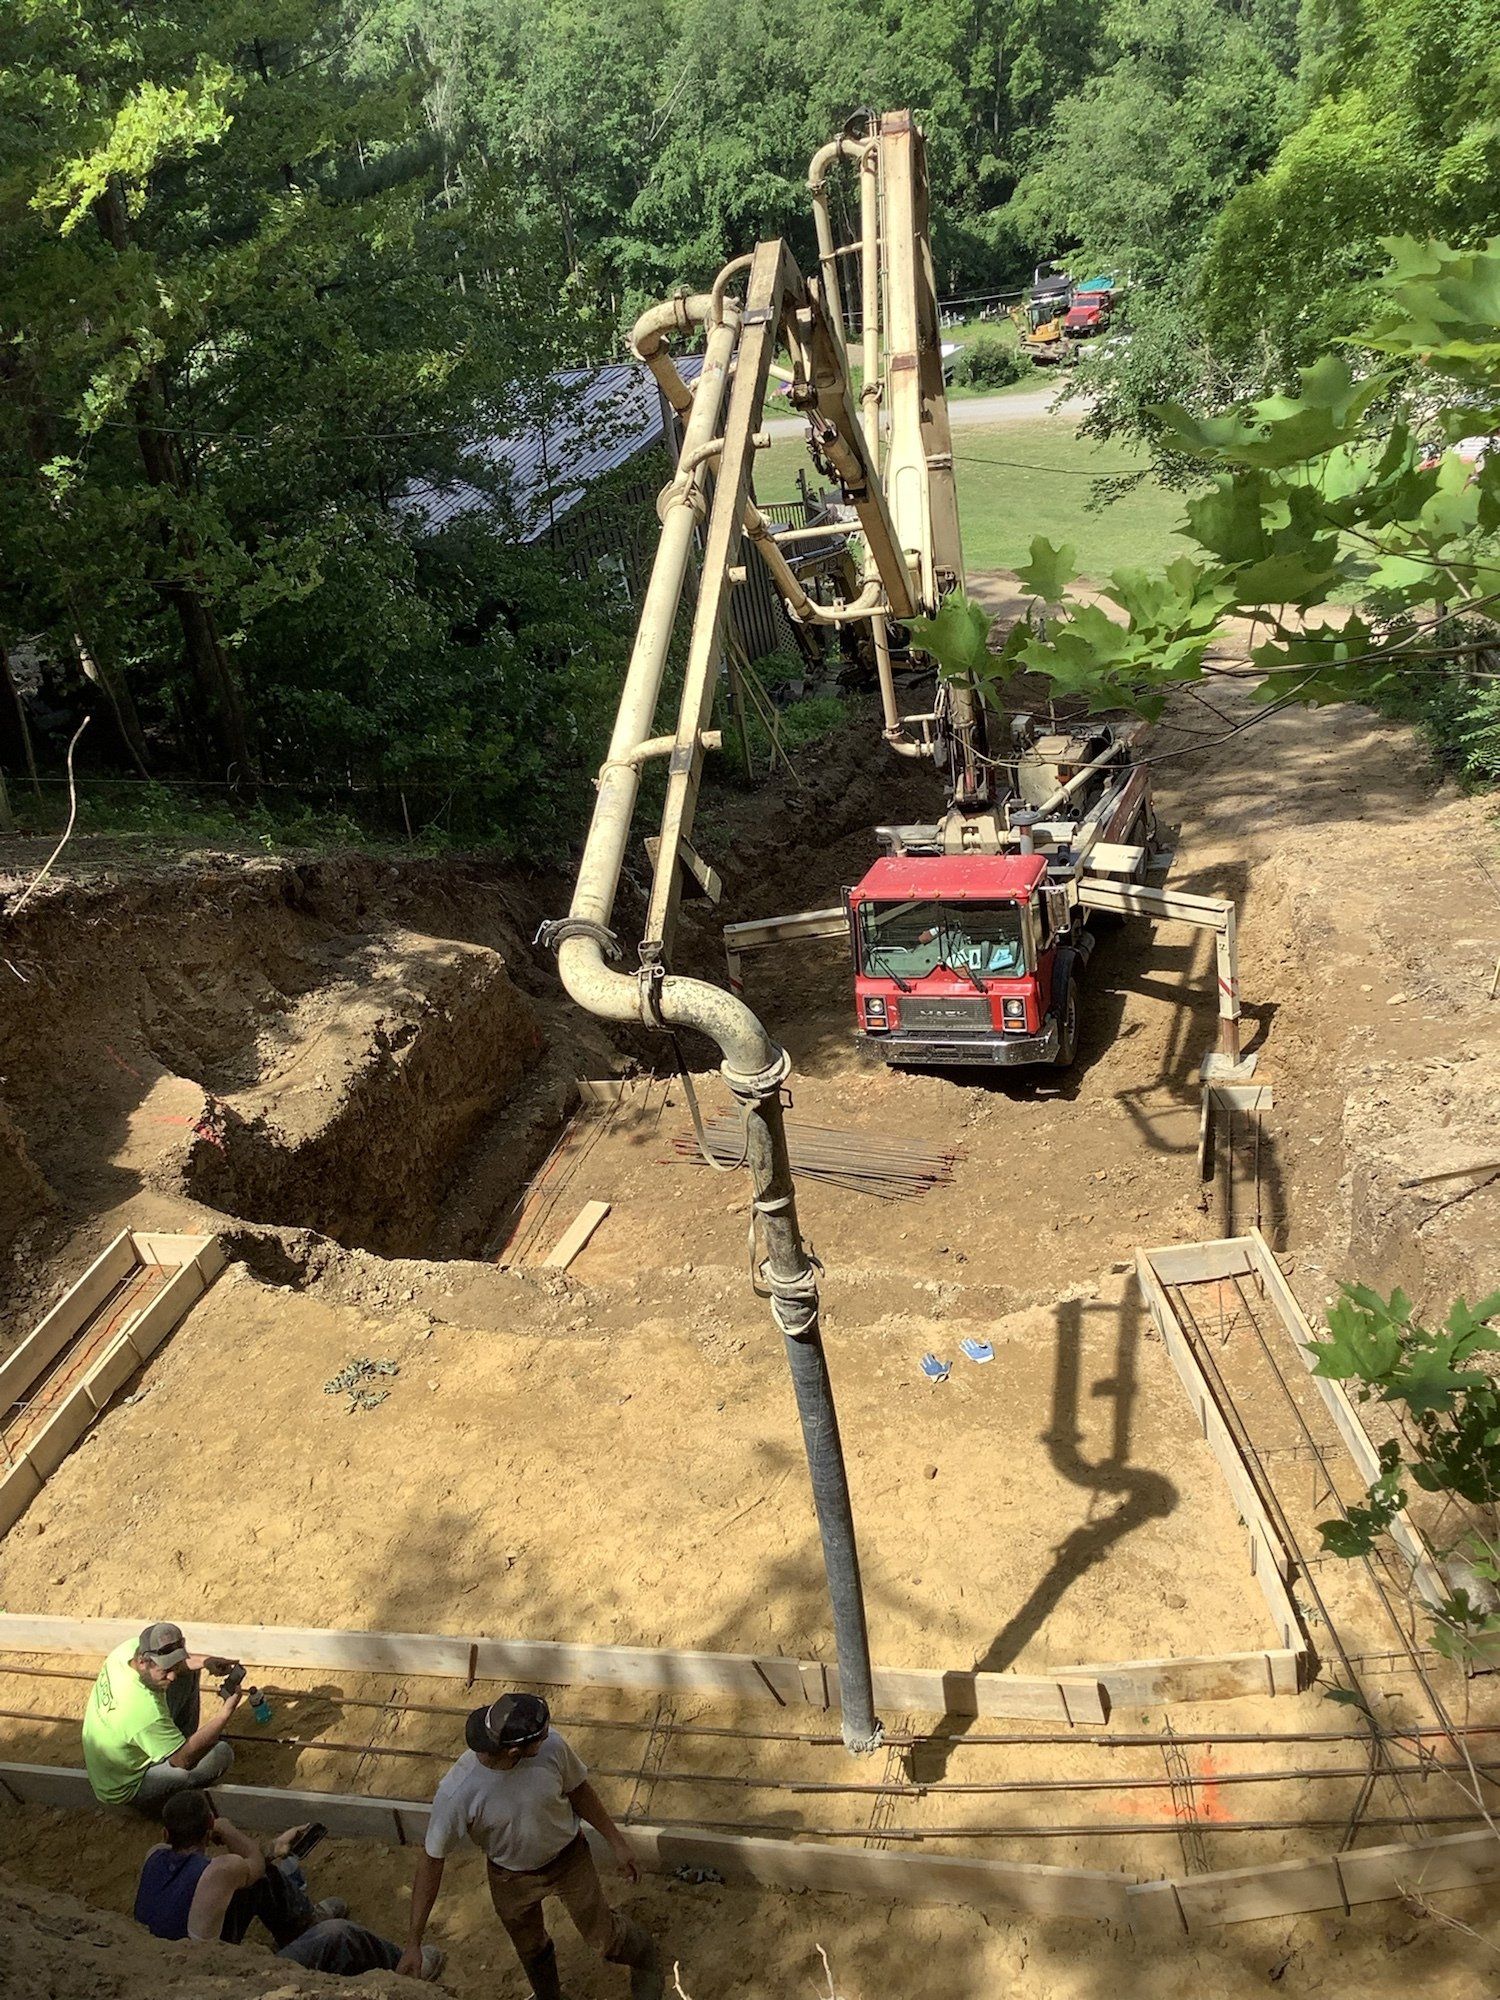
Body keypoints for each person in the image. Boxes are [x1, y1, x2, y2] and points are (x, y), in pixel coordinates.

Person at [400, 1693, 661, 2000]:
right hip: (510, 1877)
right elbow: (432, 1861)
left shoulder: (551, 1749)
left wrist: (617, 1843)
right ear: (513, 1751)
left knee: (604, 1937)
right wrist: (414, 1942)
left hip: (569, 1860)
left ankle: (647, 1960)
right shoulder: (458, 1792)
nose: (548, 1736)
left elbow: (579, 1791)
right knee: (531, 1947)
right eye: (539, 1737)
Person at [134, 1790, 444, 1979]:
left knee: (261, 1879)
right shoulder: (220, 1870)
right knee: (337, 1934)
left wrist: (274, 1848)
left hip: (176, 1960)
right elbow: (252, 1859)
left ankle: (305, 1921)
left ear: (165, 1834)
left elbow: (255, 1869)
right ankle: (405, 1966)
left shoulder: (154, 1855)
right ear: (209, 1829)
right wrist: (228, 1831)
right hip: (217, 1978)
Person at [82, 1620, 239, 1812]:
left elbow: (179, 1666)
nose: (172, 1676)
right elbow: (181, 1761)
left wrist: (206, 1662)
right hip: (129, 1786)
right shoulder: (143, 1713)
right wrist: (225, 1714)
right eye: (165, 1670)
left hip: (117, 1757)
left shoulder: (127, 1650)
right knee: (221, 1754)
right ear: (142, 1661)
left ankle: (175, 1738)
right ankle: (171, 1756)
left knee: (189, 1672)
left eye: (173, 1666)